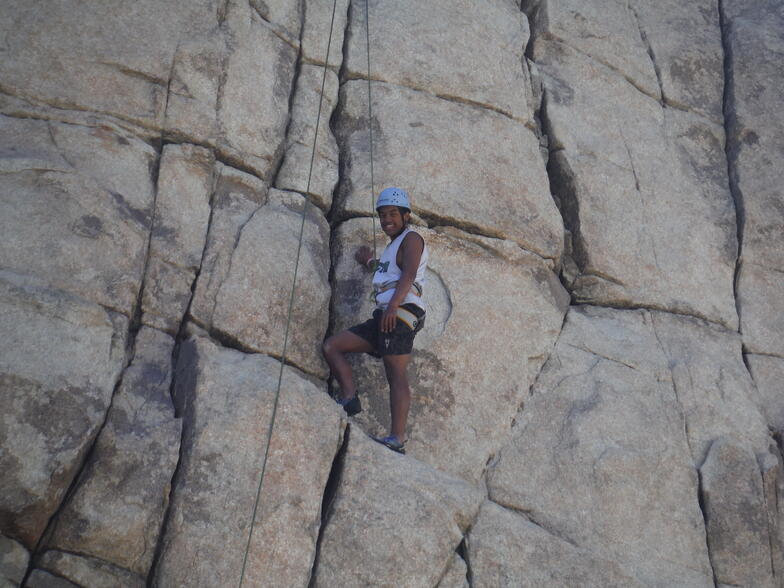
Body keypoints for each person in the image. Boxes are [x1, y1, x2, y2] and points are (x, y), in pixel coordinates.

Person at [322, 187, 428, 454]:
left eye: (393, 213)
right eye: (382, 215)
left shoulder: (412, 238)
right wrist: (369, 260)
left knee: (396, 373)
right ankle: (349, 398)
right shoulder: (394, 245)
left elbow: (409, 274)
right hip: (385, 315)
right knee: (332, 346)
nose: (386, 220)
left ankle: (397, 438)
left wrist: (393, 305)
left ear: (406, 216)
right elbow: (386, 271)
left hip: (400, 313)